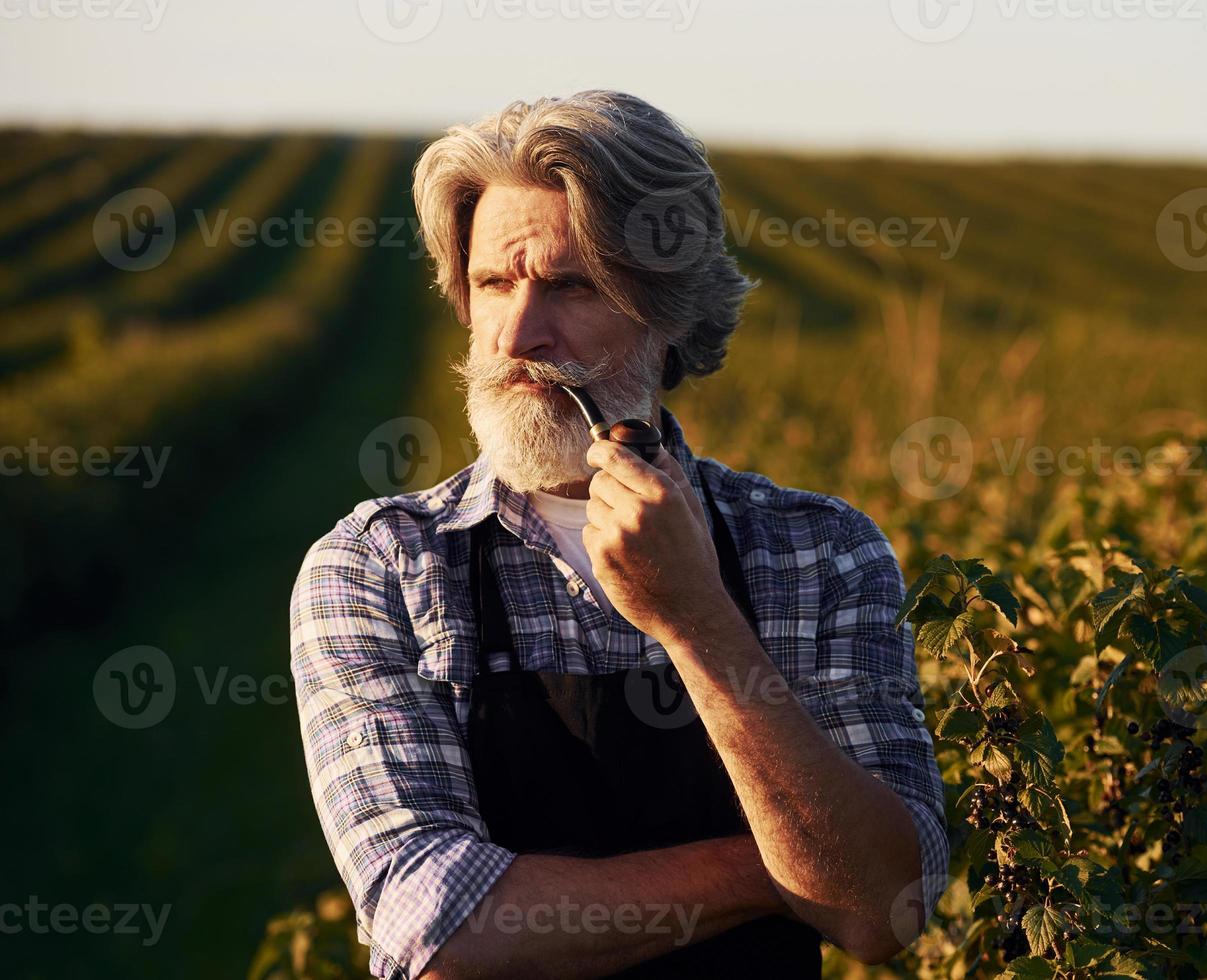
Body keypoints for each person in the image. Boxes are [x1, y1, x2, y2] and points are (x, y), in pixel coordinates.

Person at [288, 89, 948, 980]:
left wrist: (696, 618)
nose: (518, 334)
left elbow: (882, 911)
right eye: (492, 284)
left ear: (668, 309)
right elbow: (439, 927)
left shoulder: (820, 551)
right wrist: (779, 872)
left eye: (570, 285)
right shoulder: (382, 568)